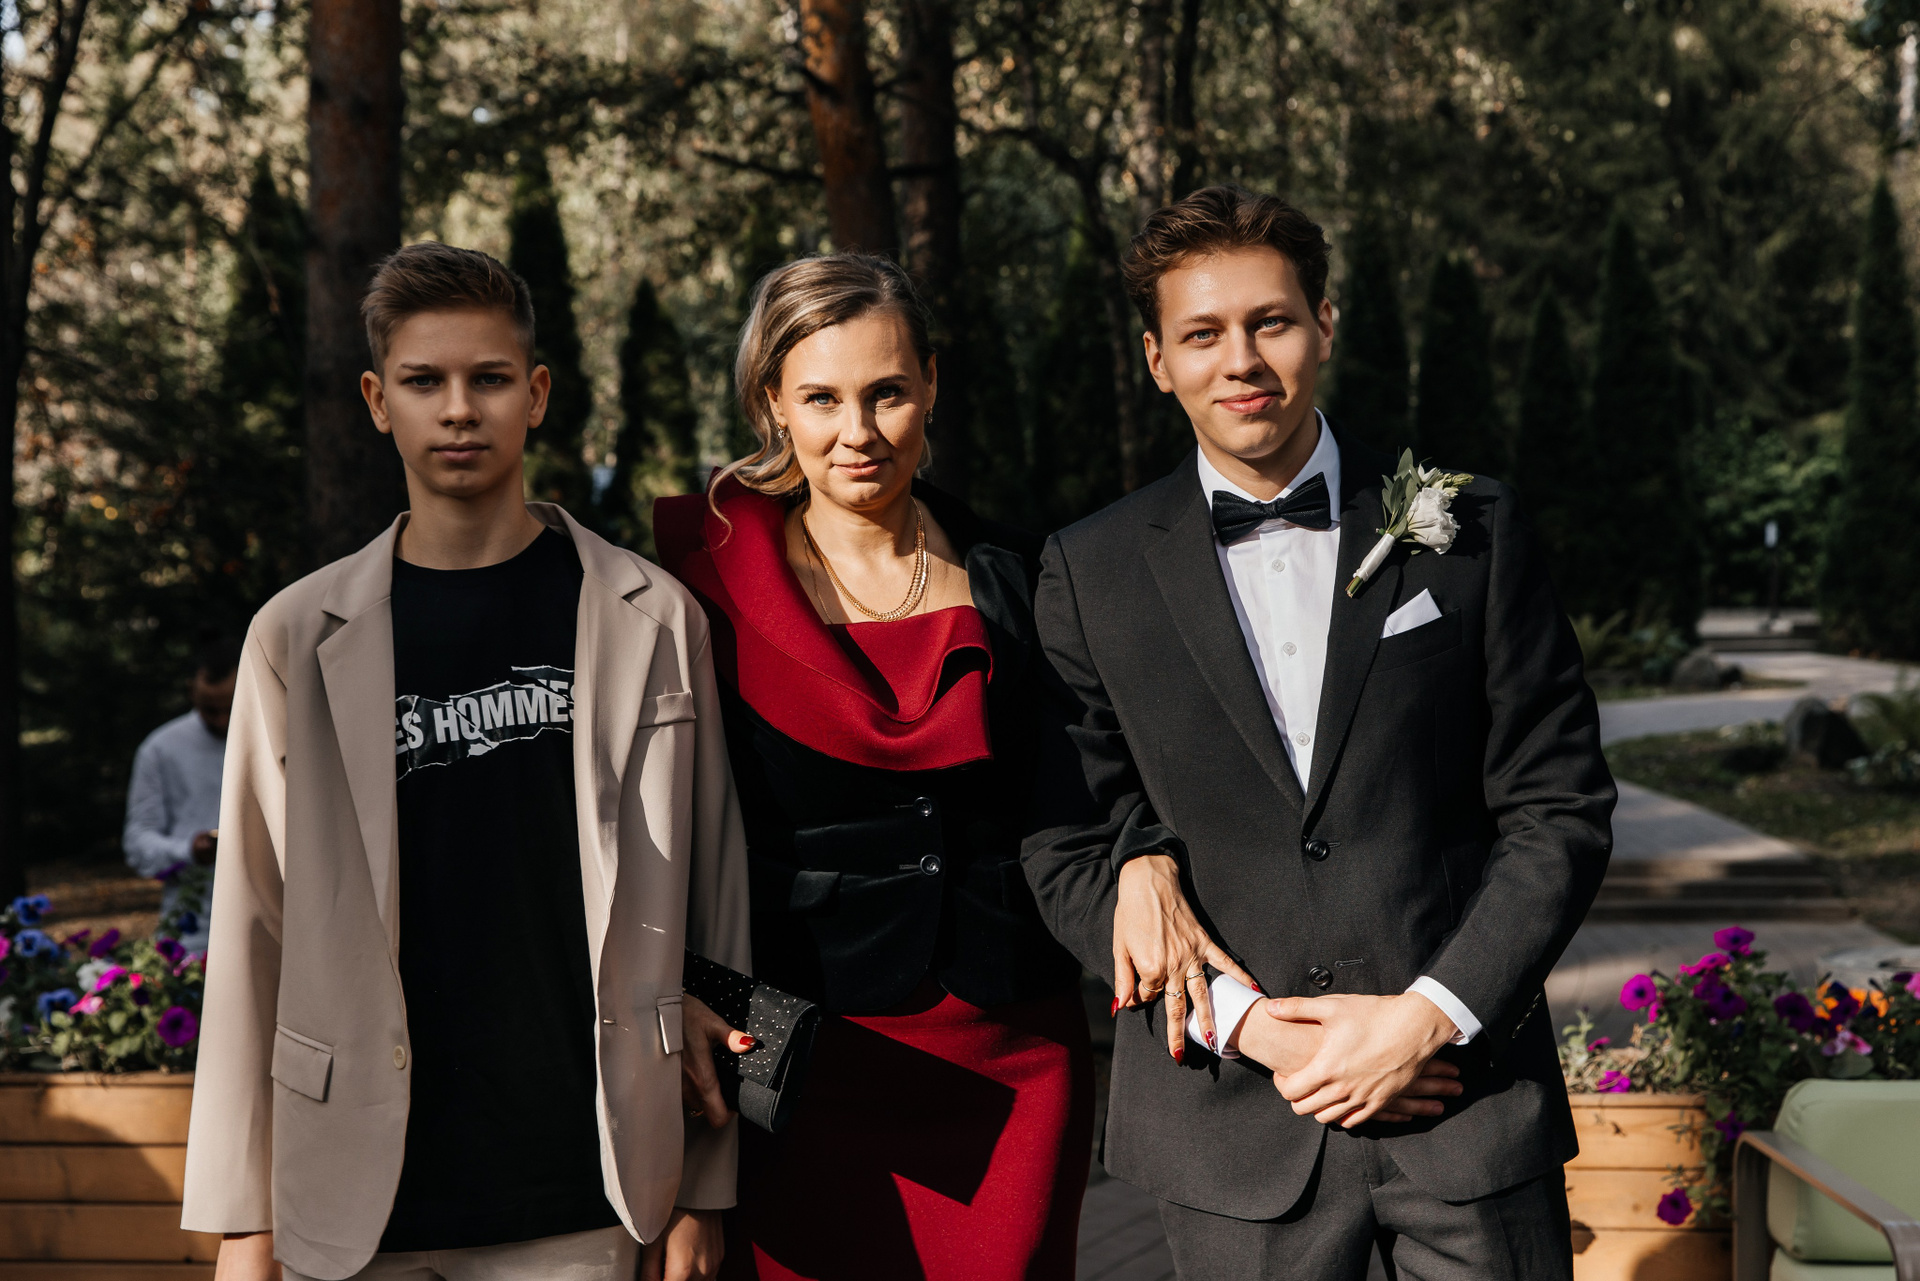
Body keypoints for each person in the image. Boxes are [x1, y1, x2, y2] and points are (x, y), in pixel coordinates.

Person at [1022, 186, 1615, 1280]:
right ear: (1157, 359)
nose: (1241, 360)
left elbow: (1560, 808)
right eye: (1203, 334)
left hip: (1466, 1108)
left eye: (1271, 322)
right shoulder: (1086, 570)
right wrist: (1246, 1024)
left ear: (1325, 325)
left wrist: (1429, 1017)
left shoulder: (1472, 530)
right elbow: (1065, 840)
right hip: (1231, 1126)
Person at [182, 241, 750, 1281]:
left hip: (585, 1186)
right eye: (423, 382)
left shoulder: (654, 620)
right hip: (352, 1200)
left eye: (489, 379)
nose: (458, 410)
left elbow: (715, 909)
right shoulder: (293, 637)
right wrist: (242, 1217)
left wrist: (702, 1185)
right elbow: (253, 929)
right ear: (376, 401)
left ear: (536, 395)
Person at [654, 253, 1091, 1281]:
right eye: (822, 398)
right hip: (797, 1065)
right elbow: (651, 833)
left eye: (887, 391)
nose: (858, 431)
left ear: (931, 383)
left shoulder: (1025, 575)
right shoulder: (695, 595)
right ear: (772, 402)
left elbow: (1082, 796)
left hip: (1012, 1056)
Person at [123, 634, 241, 950]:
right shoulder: (160, 749)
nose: (222, 720)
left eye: (230, 708)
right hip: (195, 929)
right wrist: (188, 850)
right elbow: (137, 841)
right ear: (192, 691)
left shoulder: (278, 737)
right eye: (210, 710)